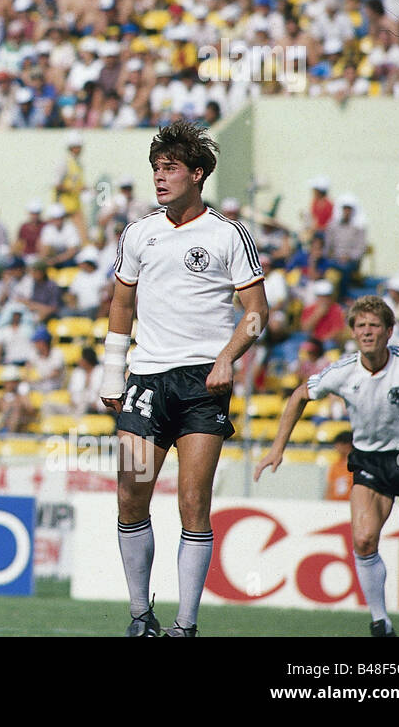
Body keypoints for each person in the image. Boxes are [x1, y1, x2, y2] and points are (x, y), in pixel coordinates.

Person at [100, 121, 268, 637]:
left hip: (203, 382)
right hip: (146, 379)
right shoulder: (139, 232)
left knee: (193, 502)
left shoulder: (227, 233)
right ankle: (138, 614)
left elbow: (257, 313)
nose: (159, 177)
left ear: (197, 175)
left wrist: (227, 358)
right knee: (131, 490)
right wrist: (112, 369)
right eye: (156, 168)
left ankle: (186, 625)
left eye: (169, 168)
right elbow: (122, 302)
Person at [255, 296, 399, 637]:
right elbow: (299, 396)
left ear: (389, 331)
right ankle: (381, 621)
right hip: (371, 462)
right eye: (360, 325)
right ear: (352, 332)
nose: (367, 331)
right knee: (363, 540)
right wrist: (277, 448)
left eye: (374, 325)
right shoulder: (342, 371)